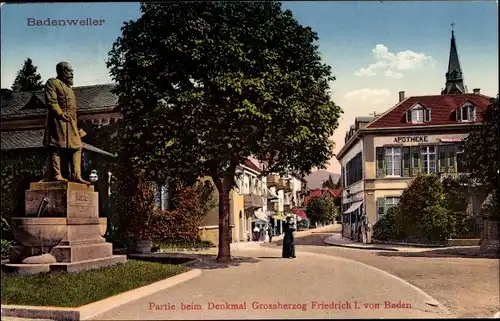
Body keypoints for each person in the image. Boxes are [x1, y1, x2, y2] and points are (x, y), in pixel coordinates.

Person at [39, 62, 89, 184]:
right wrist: (60, 113)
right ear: (61, 71)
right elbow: (51, 102)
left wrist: (77, 128)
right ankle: (56, 175)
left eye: (72, 71)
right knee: (56, 147)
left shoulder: (70, 89)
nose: (72, 74)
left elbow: (73, 112)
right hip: (58, 121)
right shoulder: (53, 82)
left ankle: (76, 175)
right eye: (69, 71)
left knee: (77, 146)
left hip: (71, 123)